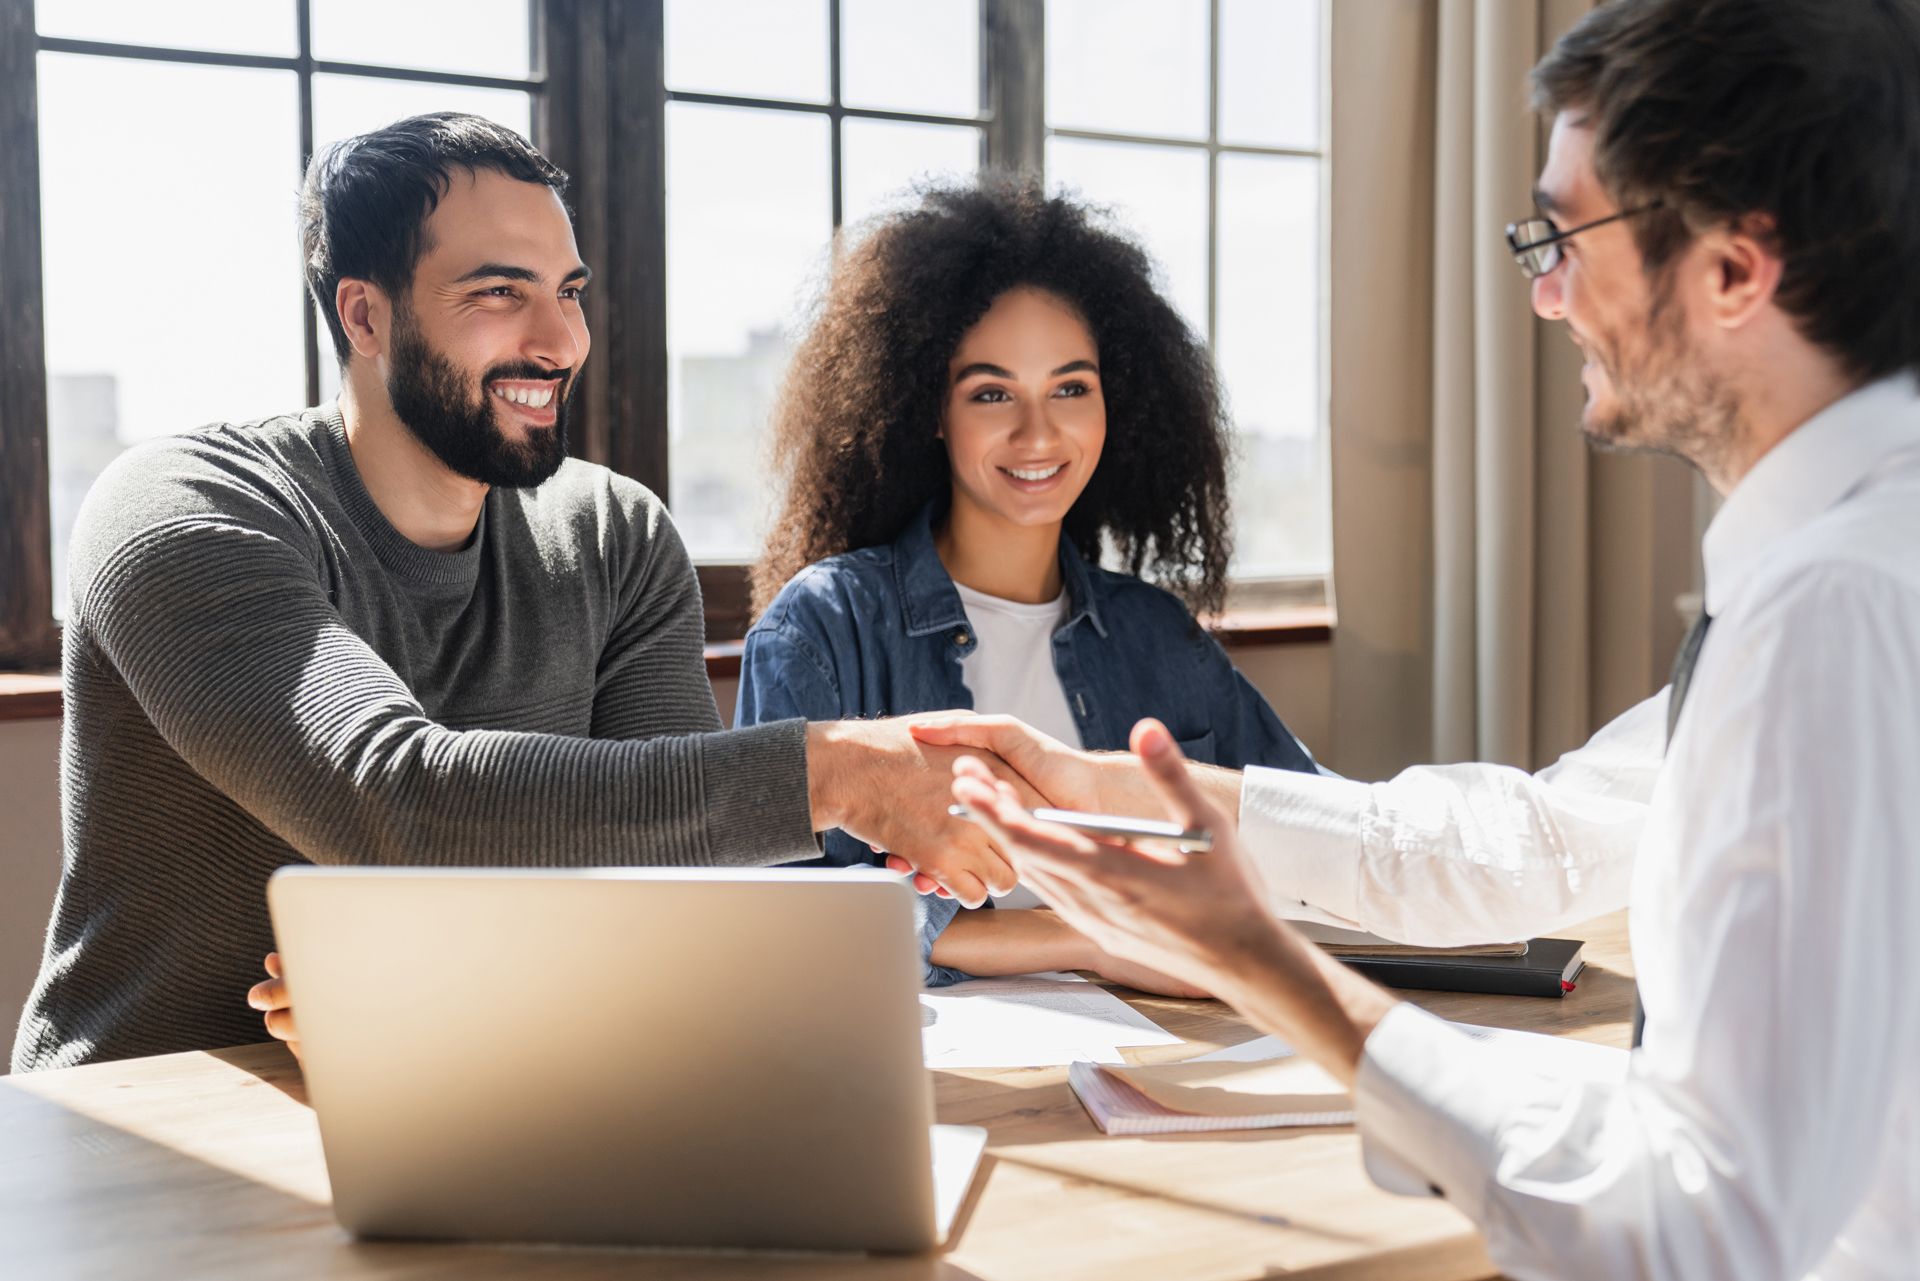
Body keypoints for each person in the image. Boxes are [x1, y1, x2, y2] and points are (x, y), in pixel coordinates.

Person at [918, 1, 1920, 1276]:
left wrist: (1270, 969)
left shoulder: (1836, 611)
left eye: (1564, 235)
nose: (1547, 295)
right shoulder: (1847, 562)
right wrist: (1167, 806)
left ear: (1733, 267)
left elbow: (1704, 1222)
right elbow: (1553, 837)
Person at [10, 113, 1033, 1074]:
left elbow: (671, 900)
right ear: (366, 313)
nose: (561, 340)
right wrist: (838, 776)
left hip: (497, 1085)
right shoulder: (184, 509)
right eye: (500, 292)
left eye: (571, 290)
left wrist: (447, 999)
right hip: (150, 1117)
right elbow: (390, 801)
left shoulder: (613, 534)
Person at [737, 178, 1319, 987]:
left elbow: (1321, 841)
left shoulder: (1160, 637)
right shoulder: (824, 628)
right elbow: (777, 929)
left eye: (1071, 388)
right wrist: (1083, 937)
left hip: (1171, 1048)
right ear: (931, 409)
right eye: (991, 392)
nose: (1038, 432)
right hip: (948, 1079)